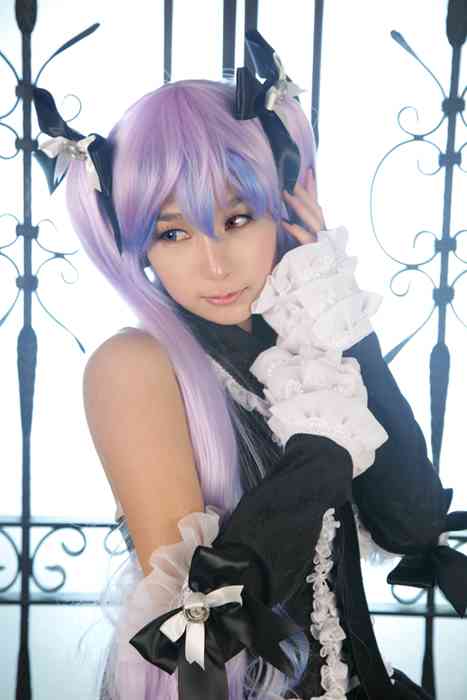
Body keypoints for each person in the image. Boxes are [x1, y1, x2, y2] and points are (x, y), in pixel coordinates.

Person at [32, 28, 467, 700]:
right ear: (138, 245)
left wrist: (337, 318)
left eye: (236, 219)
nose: (213, 264)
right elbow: (200, 630)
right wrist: (324, 446)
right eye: (173, 233)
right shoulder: (133, 367)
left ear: (283, 209)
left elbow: (410, 522)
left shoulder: (303, 346)